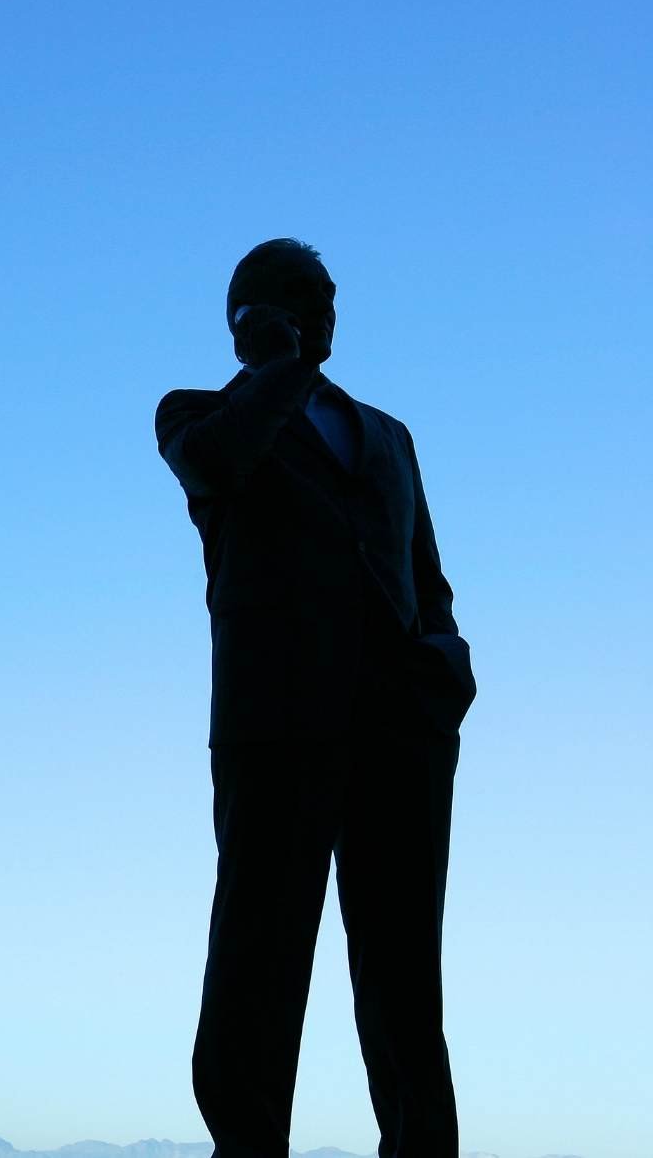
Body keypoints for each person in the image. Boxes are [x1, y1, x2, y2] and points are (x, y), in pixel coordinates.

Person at [154, 239, 478, 1157]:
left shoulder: (391, 435)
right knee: (259, 957)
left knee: (406, 973)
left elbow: (425, 574)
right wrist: (275, 367)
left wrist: (446, 662)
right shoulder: (201, 414)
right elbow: (217, 464)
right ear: (250, 311)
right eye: (300, 295)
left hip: (403, 729)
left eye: (328, 295)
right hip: (276, 725)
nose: (324, 308)